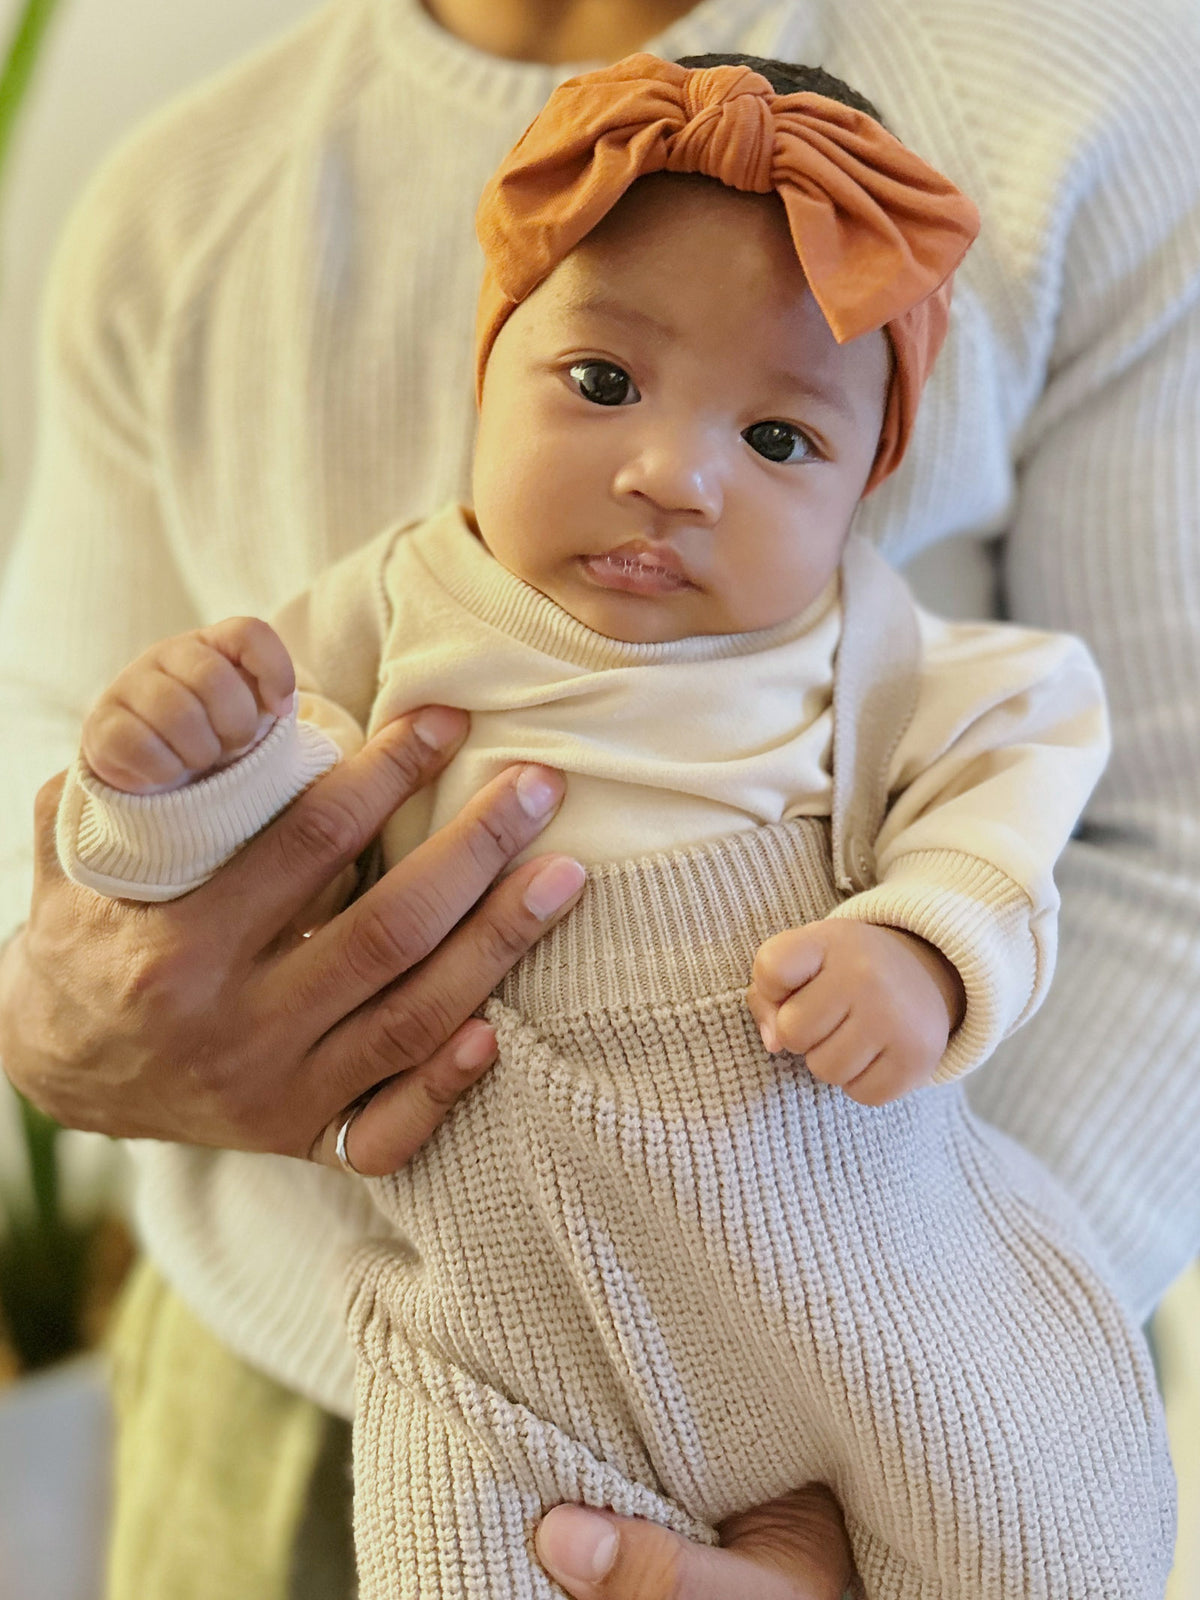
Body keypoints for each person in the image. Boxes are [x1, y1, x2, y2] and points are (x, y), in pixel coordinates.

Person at [0, 0, 1197, 1594]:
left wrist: (928, 946)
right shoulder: (223, 268)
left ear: (863, 488)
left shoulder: (881, 643)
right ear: (486, 366)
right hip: (402, 1307)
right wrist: (143, 811)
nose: (674, 476)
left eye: (777, 437)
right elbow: (125, 778)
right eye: (598, 379)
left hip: (883, 1302)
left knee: (1049, 1549)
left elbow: (1104, 805)